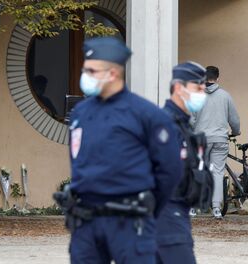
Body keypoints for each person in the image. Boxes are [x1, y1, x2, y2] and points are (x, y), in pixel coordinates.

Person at [65, 37, 182, 263]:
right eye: (85, 70)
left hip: (130, 222)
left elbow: (170, 170)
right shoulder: (80, 113)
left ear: (113, 74)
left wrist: (148, 207)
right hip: (86, 222)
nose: (85, 76)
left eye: (91, 71)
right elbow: (76, 159)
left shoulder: (147, 115)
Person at [156, 61, 210, 264]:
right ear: (179, 88)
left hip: (177, 215)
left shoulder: (183, 126)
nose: (202, 93)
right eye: (198, 88)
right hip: (166, 220)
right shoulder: (163, 125)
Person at [191, 66, 241, 219]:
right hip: (220, 138)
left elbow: (190, 119)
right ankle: (217, 209)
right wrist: (236, 130)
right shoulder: (225, 96)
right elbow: (234, 119)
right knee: (218, 173)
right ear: (217, 78)